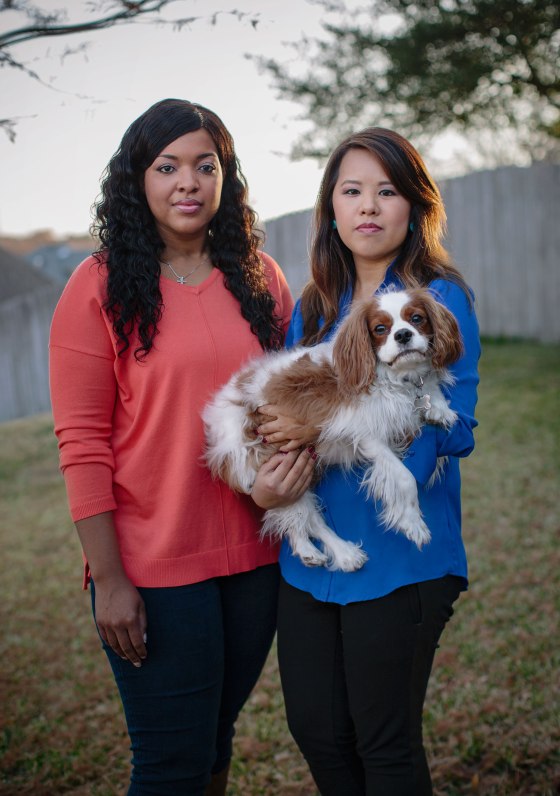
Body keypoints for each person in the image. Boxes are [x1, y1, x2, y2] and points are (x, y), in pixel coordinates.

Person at [48, 98, 315, 796]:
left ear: (227, 176)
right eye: (167, 167)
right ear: (137, 178)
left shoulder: (260, 278)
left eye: (206, 165)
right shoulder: (97, 286)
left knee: (214, 741)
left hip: (257, 556)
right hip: (153, 567)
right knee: (170, 765)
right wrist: (110, 579)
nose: (188, 182)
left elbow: (294, 401)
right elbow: (81, 442)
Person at [255, 127, 480, 795]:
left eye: (387, 191)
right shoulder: (314, 307)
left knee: (384, 744)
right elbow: (283, 411)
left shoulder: (437, 299)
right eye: (351, 191)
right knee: (319, 733)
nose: (369, 206)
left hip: (401, 559)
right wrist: (273, 468)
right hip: (313, 557)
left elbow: (457, 428)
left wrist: (340, 429)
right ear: (331, 209)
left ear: (415, 204)